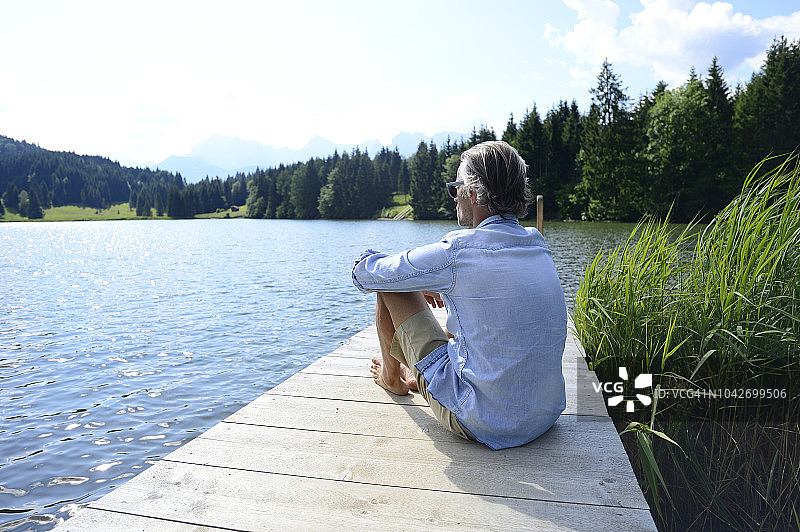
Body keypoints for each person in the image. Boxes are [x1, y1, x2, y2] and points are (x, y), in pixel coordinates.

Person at [351, 140, 567, 450]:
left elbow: (369, 273)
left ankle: (392, 379)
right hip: (543, 415)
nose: (454, 198)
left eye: (457, 188)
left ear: (474, 194)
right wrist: (428, 281)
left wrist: (410, 278)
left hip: (484, 421)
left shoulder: (458, 251)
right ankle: (423, 379)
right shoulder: (537, 246)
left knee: (390, 283)